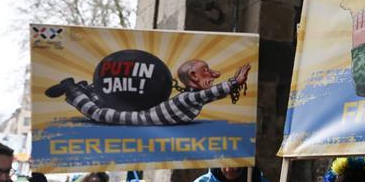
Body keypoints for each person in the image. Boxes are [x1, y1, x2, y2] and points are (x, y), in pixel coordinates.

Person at [45, 60, 250, 126]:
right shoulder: (189, 97)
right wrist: (234, 82)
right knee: (99, 114)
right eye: (205, 71)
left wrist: (233, 86)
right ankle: (72, 89)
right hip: (141, 118)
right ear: (193, 76)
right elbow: (207, 95)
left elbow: (210, 96)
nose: (212, 74)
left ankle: (86, 90)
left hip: (145, 114)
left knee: (107, 106)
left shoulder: (192, 98)